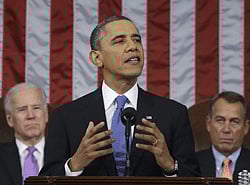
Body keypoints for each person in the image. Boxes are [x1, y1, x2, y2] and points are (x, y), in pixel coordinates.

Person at [40, 15, 200, 177]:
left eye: (136, 40)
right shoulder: (66, 117)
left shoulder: (173, 114)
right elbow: (46, 179)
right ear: (97, 58)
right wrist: (74, 165)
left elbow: (194, 177)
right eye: (120, 41)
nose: (133, 47)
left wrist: (169, 165)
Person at [196, 91, 250, 184]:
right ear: (209, 124)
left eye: (234, 122)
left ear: (246, 127)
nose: (226, 129)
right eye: (220, 120)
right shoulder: (192, 164)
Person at [0, 82, 48, 185]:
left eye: (36, 108)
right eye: (22, 109)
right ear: (10, 119)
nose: (31, 115)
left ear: (46, 114)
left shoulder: (64, 154)